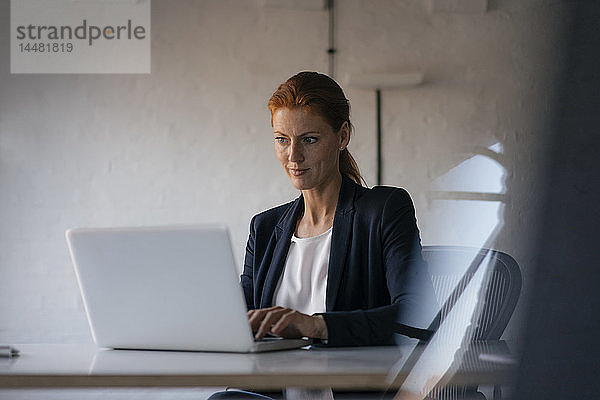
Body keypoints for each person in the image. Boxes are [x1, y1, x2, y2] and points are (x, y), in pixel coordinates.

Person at [242, 71, 435, 347]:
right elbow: (237, 321)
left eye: (309, 139)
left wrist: (317, 325)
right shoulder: (264, 228)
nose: (293, 156)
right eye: (282, 139)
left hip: (350, 386)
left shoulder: (383, 212)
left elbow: (420, 314)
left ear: (342, 136)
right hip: (272, 388)